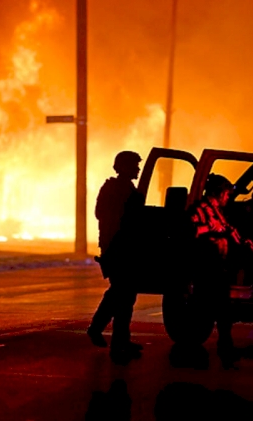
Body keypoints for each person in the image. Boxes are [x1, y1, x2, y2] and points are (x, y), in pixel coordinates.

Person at [189, 174, 253, 365]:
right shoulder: (200, 210)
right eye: (226, 194)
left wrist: (244, 243)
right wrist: (209, 228)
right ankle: (195, 345)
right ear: (218, 193)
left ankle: (224, 345)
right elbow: (189, 230)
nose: (228, 198)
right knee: (203, 308)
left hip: (219, 266)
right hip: (206, 267)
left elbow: (229, 230)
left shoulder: (218, 211)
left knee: (223, 309)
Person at [88, 151, 145, 362]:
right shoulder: (117, 189)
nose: (138, 169)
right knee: (124, 295)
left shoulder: (122, 188)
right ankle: (117, 342)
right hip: (118, 249)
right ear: (124, 167)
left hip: (120, 248)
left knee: (120, 294)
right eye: (134, 165)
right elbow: (113, 217)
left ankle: (104, 332)